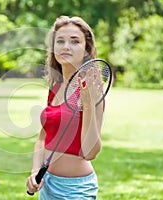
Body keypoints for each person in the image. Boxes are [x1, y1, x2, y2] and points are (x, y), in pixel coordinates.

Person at [26, 16, 104, 199]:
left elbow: (90, 152)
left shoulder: (92, 90)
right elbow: (42, 139)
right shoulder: (56, 87)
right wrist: (35, 171)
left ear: (86, 48)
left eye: (75, 41)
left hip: (76, 190)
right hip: (47, 183)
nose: (66, 46)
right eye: (60, 41)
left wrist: (89, 105)